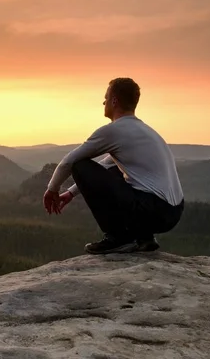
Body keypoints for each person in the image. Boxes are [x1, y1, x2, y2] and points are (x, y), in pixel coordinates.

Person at [42, 77, 185, 254]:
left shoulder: (114, 130)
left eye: (106, 97)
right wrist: (71, 192)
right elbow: (107, 165)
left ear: (114, 101)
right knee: (117, 172)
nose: (103, 101)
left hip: (152, 210)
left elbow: (69, 161)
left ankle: (117, 238)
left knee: (80, 165)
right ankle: (144, 238)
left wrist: (52, 189)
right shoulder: (144, 131)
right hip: (173, 212)